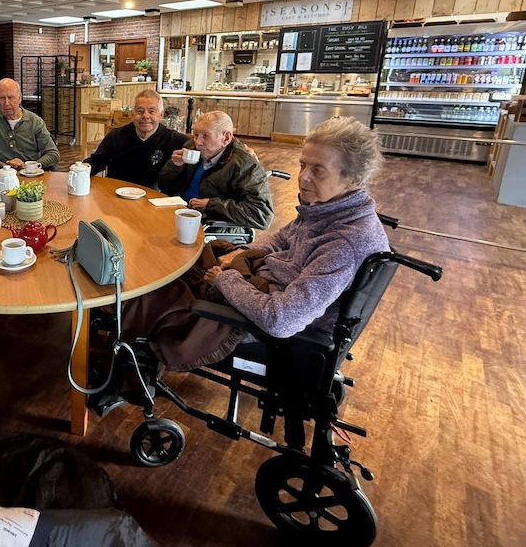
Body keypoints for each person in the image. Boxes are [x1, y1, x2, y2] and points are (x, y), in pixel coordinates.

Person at [119, 115, 390, 376]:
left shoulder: (344, 242)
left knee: (157, 293)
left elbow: (281, 320)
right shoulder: (329, 209)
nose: (303, 177)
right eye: (303, 165)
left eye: (317, 170)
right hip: (258, 285)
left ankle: (130, 363)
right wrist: (242, 253)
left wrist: (225, 280)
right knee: (178, 265)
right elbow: (282, 238)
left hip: (264, 329)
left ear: (354, 179)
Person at [157, 110, 272, 230]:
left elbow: (261, 215)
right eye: (195, 135)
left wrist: (211, 205)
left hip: (210, 226)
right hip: (178, 213)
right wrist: (175, 166)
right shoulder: (191, 147)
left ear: (226, 138)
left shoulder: (244, 165)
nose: (198, 142)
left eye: (205, 136)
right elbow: (164, 185)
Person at [84, 89, 189, 188]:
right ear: (132, 114)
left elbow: (195, 146)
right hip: (115, 194)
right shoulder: (116, 136)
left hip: (152, 199)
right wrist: (84, 167)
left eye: (152, 111)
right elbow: (97, 161)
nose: (145, 116)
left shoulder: (173, 140)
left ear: (161, 115)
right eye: (140, 111)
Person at [0, 78, 60, 172]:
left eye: (11, 97)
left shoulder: (35, 121)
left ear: (19, 98)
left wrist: (30, 166)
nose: (6, 103)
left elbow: (53, 154)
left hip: (30, 173)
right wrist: (6, 167)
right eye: (2, 98)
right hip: (0, 173)